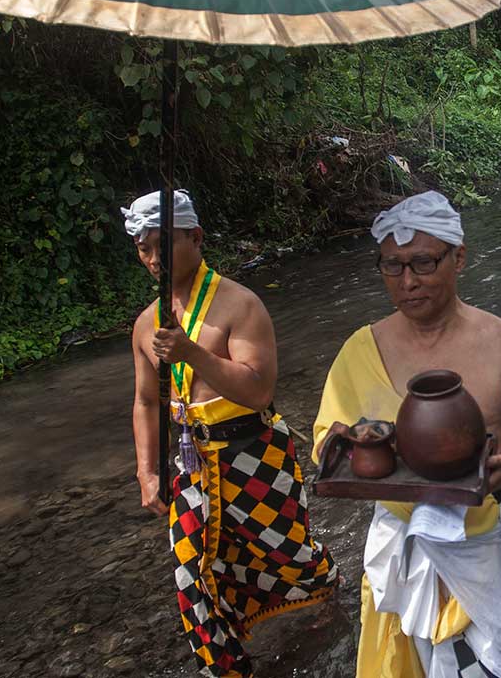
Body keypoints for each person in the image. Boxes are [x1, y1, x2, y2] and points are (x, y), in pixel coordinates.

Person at [312, 190, 501, 677]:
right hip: (405, 543)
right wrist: (345, 445)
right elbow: (325, 441)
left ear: (458, 258)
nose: (408, 282)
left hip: (490, 539)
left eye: (423, 263)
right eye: (392, 266)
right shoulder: (361, 349)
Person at [126, 190, 338, 678]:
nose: (154, 259)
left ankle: (327, 589)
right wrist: (146, 472)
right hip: (192, 462)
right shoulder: (145, 324)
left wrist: (192, 353)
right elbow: (145, 402)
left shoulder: (240, 305)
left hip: (254, 451)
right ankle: (225, 668)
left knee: (286, 554)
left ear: (196, 238)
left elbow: (259, 391)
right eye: (144, 248)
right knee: (192, 575)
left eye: (163, 244)